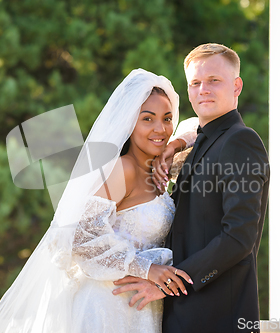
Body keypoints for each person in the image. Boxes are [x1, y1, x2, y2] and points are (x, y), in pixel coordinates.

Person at [0, 68, 193, 333]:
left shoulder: (158, 170)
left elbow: (200, 128)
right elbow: (78, 236)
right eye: (147, 119)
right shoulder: (121, 169)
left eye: (167, 118)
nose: (160, 129)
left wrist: (176, 145)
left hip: (141, 309)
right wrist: (146, 269)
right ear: (129, 122)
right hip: (105, 308)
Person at [114, 44, 270, 333]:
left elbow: (240, 236)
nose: (203, 90)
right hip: (180, 314)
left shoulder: (241, 142)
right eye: (195, 83)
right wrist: (176, 144)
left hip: (217, 315)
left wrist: (173, 284)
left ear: (236, 86)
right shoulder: (201, 142)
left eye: (214, 81)